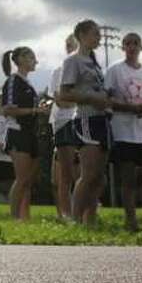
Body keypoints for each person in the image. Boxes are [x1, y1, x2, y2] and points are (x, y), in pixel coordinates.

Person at [105, 33, 142, 231]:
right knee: (128, 179)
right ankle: (131, 221)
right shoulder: (115, 70)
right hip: (123, 131)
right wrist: (128, 107)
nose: (132, 47)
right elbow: (107, 99)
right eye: (128, 43)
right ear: (123, 47)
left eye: (135, 43)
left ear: (141, 47)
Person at [60, 19, 110, 226]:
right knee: (88, 174)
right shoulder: (73, 61)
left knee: (99, 176)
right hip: (86, 119)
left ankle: (90, 220)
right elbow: (65, 93)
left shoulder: (94, 62)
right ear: (81, 35)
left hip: (102, 120)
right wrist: (91, 98)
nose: (99, 37)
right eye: (95, 33)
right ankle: (75, 219)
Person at [0, 47, 48, 220]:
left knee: (28, 180)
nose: (36, 61)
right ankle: (14, 218)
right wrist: (35, 111)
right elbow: (8, 110)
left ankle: (25, 218)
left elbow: (27, 108)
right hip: (17, 133)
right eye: (32, 58)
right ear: (20, 59)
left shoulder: (28, 84)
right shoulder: (14, 80)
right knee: (21, 179)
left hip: (31, 133)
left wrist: (38, 109)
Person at [50, 35, 81, 222]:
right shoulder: (59, 71)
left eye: (74, 45)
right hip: (64, 122)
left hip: (84, 122)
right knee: (66, 174)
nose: (71, 48)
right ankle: (66, 215)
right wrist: (81, 101)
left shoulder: (86, 69)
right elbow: (60, 101)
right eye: (68, 45)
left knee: (84, 174)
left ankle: (81, 213)